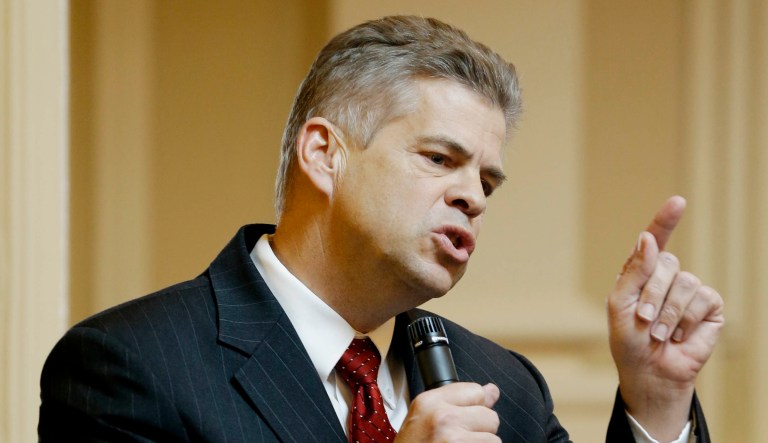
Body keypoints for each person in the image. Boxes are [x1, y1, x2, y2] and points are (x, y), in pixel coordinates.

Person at [38, 15, 724, 442]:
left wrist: (656, 401)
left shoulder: (503, 387)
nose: (474, 198)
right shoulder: (130, 366)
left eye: (486, 181)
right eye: (439, 159)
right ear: (323, 153)